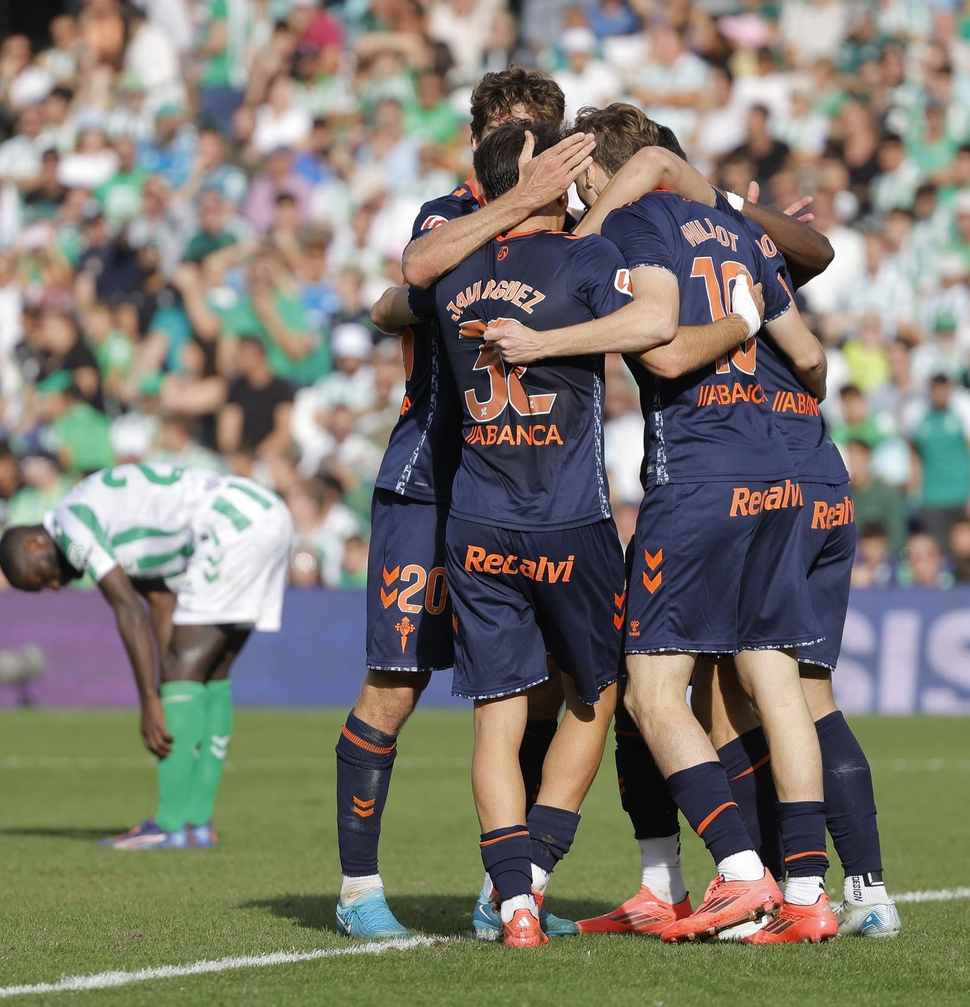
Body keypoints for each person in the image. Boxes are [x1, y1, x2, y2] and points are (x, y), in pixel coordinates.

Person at [484, 102, 834, 944]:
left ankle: (742, 878)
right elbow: (815, 357)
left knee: (648, 691)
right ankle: (810, 892)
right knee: (775, 686)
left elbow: (665, 347)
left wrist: (547, 331)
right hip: (778, 469)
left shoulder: (637, 222)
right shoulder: (737, 231)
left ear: (603, 167)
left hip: (698, 472)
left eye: (582, 178)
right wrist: (749, 322)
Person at [330, 67, 589, 943]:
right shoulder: (447, 213)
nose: (522, 149)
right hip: (427, 482)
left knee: (543, 689)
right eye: (506, 130)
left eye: (536, 132)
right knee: (396, 681)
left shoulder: (574, 226)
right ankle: (358, 889)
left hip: (528, 490)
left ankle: (505, 887)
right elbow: (411, 277)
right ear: (477, 137)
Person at [372, 120, 637, 947]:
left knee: (498, 714)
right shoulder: (585, 259)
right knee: (595, 698)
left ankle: (514, 904)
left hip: (477, 521)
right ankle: (533, 873)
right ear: (549, 179)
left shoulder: (450, 278)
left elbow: (401, 287)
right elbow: (657, 325)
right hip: (570, 518)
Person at [0, 463, 291, 850]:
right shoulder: (108, 519)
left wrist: (152, 701)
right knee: (212, 673)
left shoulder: (72, 522)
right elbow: (156, 598)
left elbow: (128, 610)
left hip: (229, 526)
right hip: (266, 513)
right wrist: (172, 681)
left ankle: (168, 824)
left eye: (42, 578)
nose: (54, 585)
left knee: (183, 670)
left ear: (34, 543)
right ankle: (198, 824)